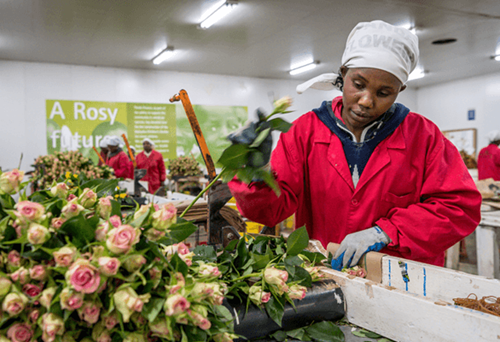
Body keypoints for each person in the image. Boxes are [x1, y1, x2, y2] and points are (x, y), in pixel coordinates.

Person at [228, 20, 481, 269]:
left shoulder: (423, 137)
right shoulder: (304, 132)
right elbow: (268, 213)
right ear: (343, 75)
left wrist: (385, 232)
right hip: (325, 272)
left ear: (400, 90)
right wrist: (257, 173)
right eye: (358, 85)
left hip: (402, 279)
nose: (367, 101)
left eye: (384, 93)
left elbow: (459, 207)